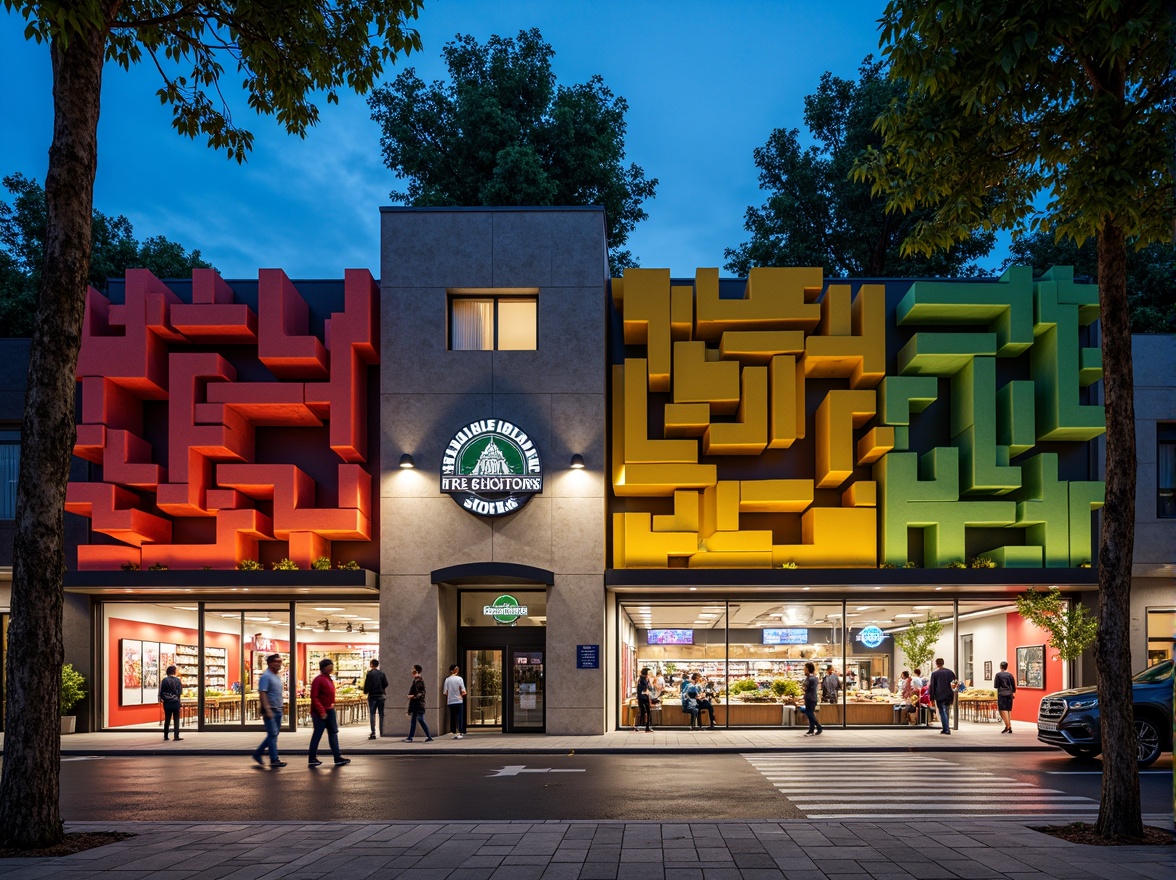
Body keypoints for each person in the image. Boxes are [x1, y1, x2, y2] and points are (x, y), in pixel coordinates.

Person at [308, 658, 351, 766]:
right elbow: (314, 697)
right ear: (324, 667)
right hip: (320, 712)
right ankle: (312, 757)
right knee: (317, 734)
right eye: (330, 666)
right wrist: (321, 711)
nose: (332, 667)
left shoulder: (328, 679)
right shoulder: (318, 680)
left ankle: (337, 756)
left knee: (333, 733)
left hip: (329, 709)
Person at [252, 653, 286, 767]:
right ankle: (274, 759)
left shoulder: (276, 676)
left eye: (280, 661)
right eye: (276, 661)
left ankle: (258, 753)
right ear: (270, 663)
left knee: (273, 735)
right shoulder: (266, 676)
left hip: (278, 708)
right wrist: (267, 709)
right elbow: (263, 693)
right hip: (270, 709)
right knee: (273, 735)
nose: (279, 664)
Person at [404, 664, 433, 742]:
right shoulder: (416, 680)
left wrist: (412, 696)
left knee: (419, 720)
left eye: (413, 669)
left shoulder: (418, 681)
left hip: (418, 705)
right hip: (417, 704)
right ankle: (411, 737)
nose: (411, 671)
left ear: (416, 671)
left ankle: (427, 736)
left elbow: (420, 693)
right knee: (417, 720)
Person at [929, 657, 957, 735]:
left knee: (942, 711)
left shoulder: (935, 673)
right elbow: (954, 683)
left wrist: (932, 697)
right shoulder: (950, 672)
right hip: (949, 694)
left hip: (940, 694)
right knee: (947, 711)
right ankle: (945, 728)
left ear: (936, 664)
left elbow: (933, 686)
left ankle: (946, 729)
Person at [362, 658, 389, 740]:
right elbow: (386, 684)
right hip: (381, 696)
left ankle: (373, 733)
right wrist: (381, 689)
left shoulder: (369, 674)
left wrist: (366, 691)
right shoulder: (382, 674)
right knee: (381, 714)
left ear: (371, 665)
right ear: (377, 665)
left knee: (372, 714)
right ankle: (382, 731)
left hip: (373, 696)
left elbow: (367, 686)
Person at [158, 664, 183, 742]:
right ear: (174, 672)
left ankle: (166, 735)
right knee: (176, 719)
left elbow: (161, 692)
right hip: (175, 702)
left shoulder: (164, 680)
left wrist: (162, 699)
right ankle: (176, 735)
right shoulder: (178, 680)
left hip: (167, 702)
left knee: (167, 719)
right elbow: (180, 692)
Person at [443, 664, 467, 740]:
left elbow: (445, 692)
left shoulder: (447, 680)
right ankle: (460, 731)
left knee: (453, 717)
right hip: (459, 701)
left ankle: (453, 731)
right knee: (460, 716)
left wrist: (450, 695)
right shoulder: (459, 679)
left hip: (450, 701)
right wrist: (460, 695)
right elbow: (463, 691)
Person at [800, 662, 823, 736]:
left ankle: (818, 727)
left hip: (811, 698)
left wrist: (804, 687)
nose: (803, 670)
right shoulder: (810, 678)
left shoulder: (811, 678)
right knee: (810, 714)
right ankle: (811, 729)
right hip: (810, 697)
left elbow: (806, 688)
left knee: (809, 713)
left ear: (807, 669)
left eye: (804, 668)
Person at [994, 660, 1017, 733]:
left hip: (1002, 694)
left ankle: (1008, 725)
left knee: (1002, 710)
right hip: (1009, 693)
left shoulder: (998, 675)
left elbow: (996, 686)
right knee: (1008, 710)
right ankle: (1008, 726)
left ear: (1000, 667)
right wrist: (1013, 692)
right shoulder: (1010, 675)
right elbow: (1013, 685)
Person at [634, 667, 653, 733]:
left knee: (642, 712)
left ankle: (638, 726)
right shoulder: (643, 680)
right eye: (648, 674)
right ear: (646, 674)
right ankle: (646, 727)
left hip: (640, 698)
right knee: (647, 713)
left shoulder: (640, 679)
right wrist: (648, 682)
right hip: (644, 698)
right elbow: (649, 689)